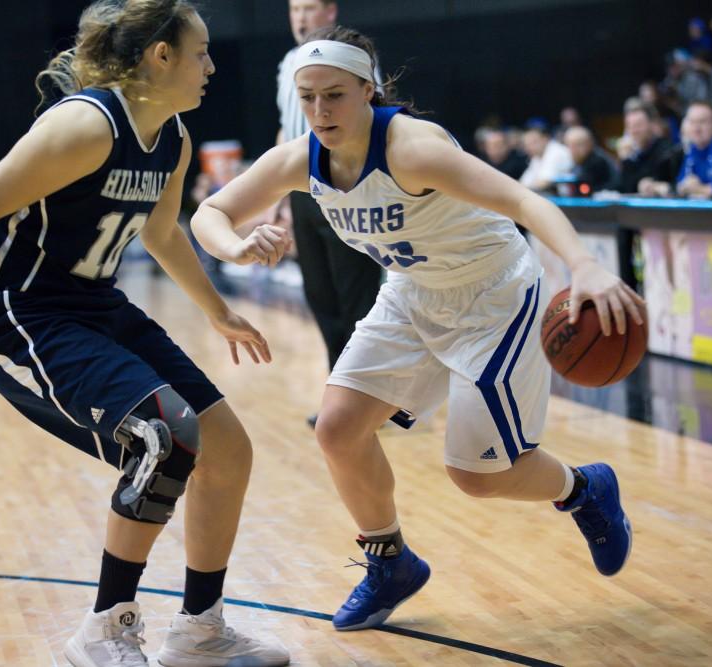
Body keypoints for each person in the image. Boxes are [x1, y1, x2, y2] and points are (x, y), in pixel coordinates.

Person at [0, 3, 289, 666]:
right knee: (164, 437)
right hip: (23, 313)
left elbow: (161, 232)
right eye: (200, 52)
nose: (212, 66)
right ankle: (104, 630)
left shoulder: (173, 136)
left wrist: (216, 308)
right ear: (159, 56)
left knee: (227, 446)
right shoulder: (85, 124)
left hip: (95, 305)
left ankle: (200, 630)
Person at [191, 25, 644, 632]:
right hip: (411, 293)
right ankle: (390, 563)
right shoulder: (301, 157)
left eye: (335, 95)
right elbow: (209, 213)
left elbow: (525, 203)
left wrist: (585, 265)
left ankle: (584, 489)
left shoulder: (413, 149)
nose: (320, 111)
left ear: (367, 89)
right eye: (308, 97)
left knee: (478, 478)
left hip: (494, 294)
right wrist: (239, 248)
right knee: (338, 429)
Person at [276, 0, 382, 427]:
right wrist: (278, 198)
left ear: (330, 11)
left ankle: (370, 402)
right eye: (294, 8)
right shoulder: (286, 63)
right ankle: (343, 398)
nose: (300, 17)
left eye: (309, 8)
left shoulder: (351, 59)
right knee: (320, 297)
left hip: (348, 184)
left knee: (355, 298)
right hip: (302, 187)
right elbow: (285, 128)